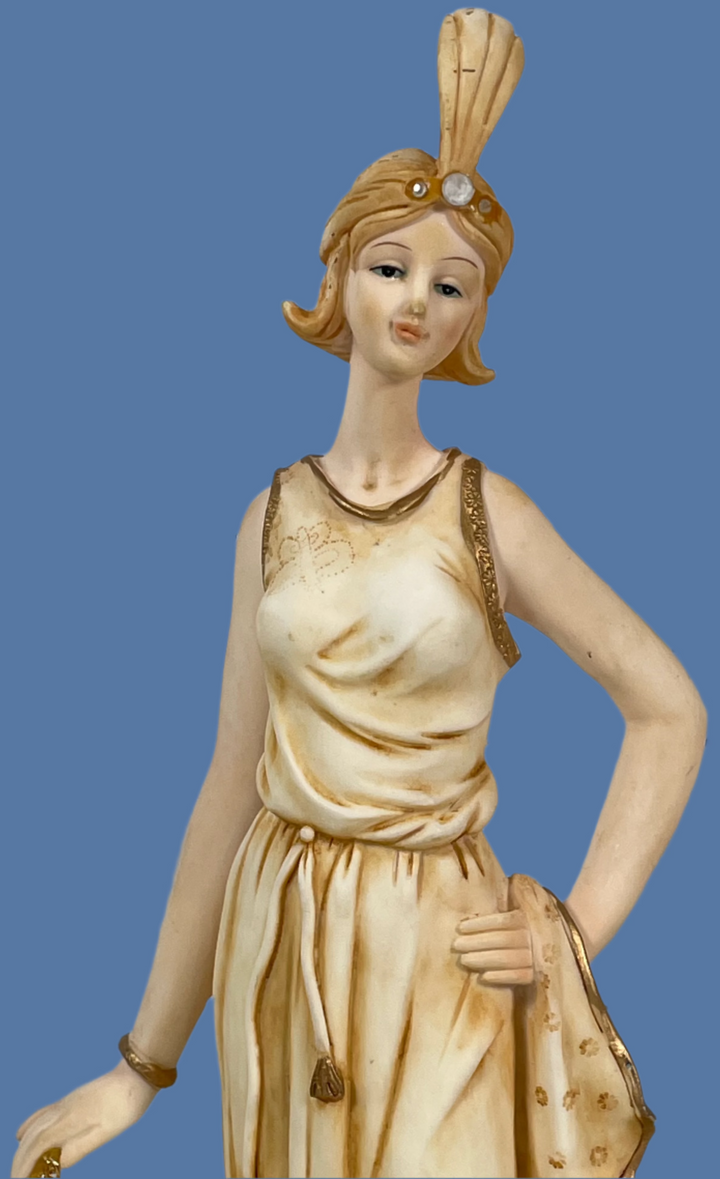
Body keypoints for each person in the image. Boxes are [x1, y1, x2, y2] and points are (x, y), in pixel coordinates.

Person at [12, 10, 706, 1179]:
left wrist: (572, 932)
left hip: (442, 945)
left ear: (476, 313)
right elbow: (230, 785)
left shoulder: (488, 512)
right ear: (338, 273)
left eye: (453, 282)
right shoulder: (272, 517)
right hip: (279, 944)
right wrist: (137, 1069)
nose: (416, 301)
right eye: (391, 267)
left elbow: (669, 708)